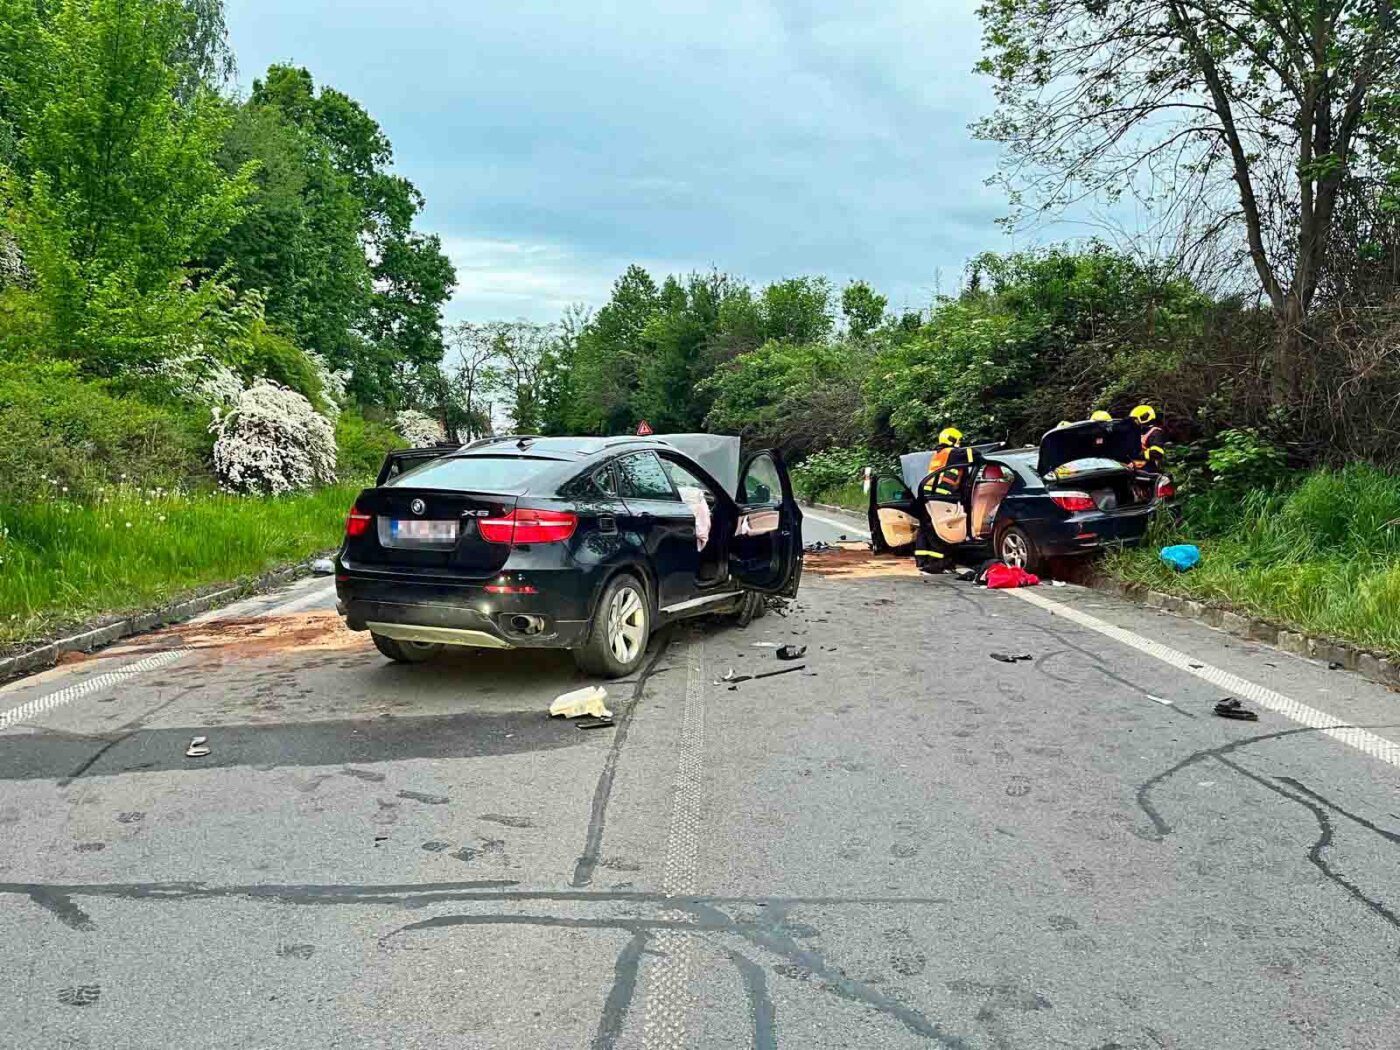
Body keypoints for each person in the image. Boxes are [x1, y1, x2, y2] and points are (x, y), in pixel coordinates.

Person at [1130, 404, 1166, 472]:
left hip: (1147, 469)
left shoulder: (1155, 432)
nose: (1135, 421)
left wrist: (1139, 454)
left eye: (1137, 419)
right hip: (1134, 468)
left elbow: (1157, 453)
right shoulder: (1140, 431)